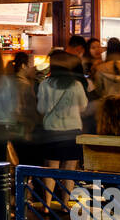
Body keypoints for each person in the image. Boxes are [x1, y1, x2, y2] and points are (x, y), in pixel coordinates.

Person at [36, 49, 88, 197]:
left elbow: (41, 109)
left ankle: (46, 204)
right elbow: (83, 106)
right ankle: (65, 204)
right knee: (69, 170)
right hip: (72, 131)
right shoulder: (76, 85)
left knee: (51, 169)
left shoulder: (45, 84)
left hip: (52, 131)